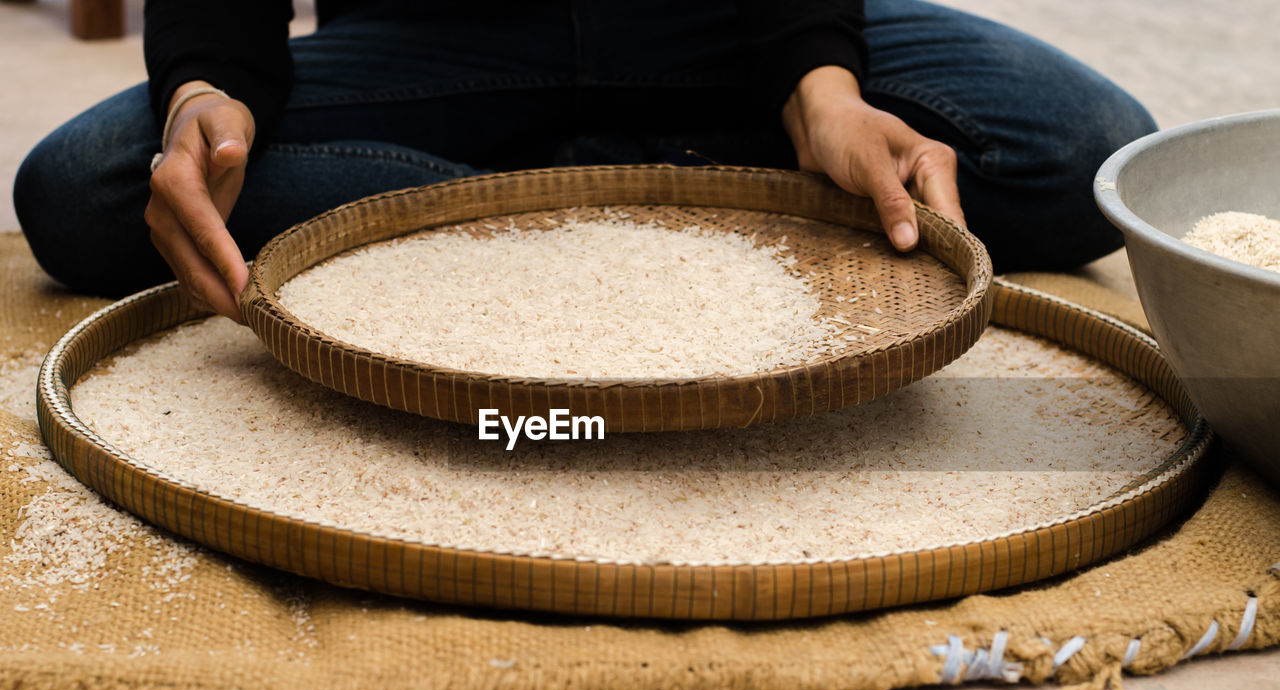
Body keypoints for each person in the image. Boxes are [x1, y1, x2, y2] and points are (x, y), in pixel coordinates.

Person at [14, 1, 1156, 324]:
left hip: (711, 33)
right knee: (88, 187)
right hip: (439, 44)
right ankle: (605, 188)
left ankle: (561, 179)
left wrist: (819, 89)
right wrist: (207, 86)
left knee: (1082, 146)